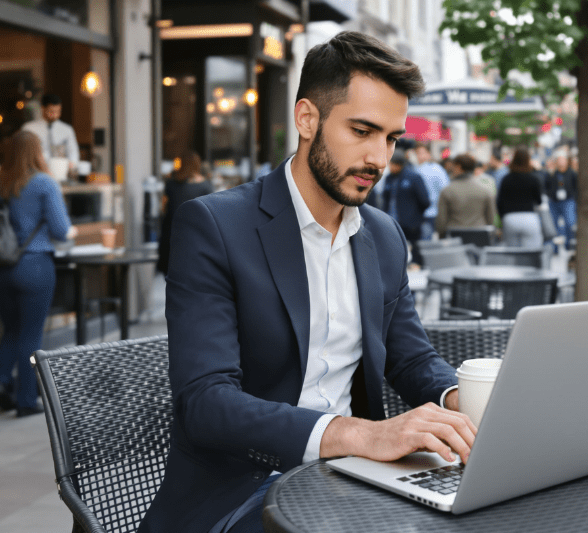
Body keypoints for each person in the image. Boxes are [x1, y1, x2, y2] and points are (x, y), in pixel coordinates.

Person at [137, 31, 474, 533]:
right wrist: (359, 435)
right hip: (241, 492)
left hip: (353, 483)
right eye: (362, 131)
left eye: (391, 138)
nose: (379, 159)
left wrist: (460, 402)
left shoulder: (382, 235)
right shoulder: (214, 226)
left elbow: (410, 357)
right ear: (307, 119)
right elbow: (206, 402)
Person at [0, 131, 73, 417]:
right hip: (34, 265)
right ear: (37, 152)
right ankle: (26, 400)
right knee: (31, 334)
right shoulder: (44, 183)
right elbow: (61, 230)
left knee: (11, 329)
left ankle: (1, 385)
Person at [156, 151, 214, 275]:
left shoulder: (171, 184)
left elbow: (164, 208)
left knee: (171, 276)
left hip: (171, 236)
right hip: (195, 238)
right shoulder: (205, 186)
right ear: (197, 165)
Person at [380, 150, 430, 265]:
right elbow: (385, 199)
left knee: (415, 246)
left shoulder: (414, 177)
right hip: (392, 221)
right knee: (394, 246)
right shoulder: (389, 179)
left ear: (399, 164)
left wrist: (415, 215)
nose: (390, 167)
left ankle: (417, 265)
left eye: (392, 164)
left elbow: (425, 201)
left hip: (411, 222)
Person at [436, 153, 497, 237]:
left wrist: (442, 236)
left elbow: (441, 222)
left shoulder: (447, 191)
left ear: (458, 167)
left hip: (455, 236)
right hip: (479, 235)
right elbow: (491, 219)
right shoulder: (485, 191)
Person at [496, 147, 544, 247]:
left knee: (513, 252)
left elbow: (500, 201)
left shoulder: (506, 179)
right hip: (529, 217)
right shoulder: (533, 179)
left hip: (510, 218)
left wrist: (502, 218)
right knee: (531, 253)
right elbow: (539, 201)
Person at [22, 93, 79, 170]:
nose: (55, 115)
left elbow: (73, 152)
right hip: (36, 171)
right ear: (43, 108)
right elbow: (24, 154)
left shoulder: (67, 129)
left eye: (58, 111)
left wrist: (72, 164)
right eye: (51, 111)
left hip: (61, 171)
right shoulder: (29, 128)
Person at [413, 143, 449, 240]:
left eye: (423, 153)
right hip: (423, 213)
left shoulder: (436, 170)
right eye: (418, 153)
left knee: (426, 242)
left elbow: (445, 191)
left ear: (429, 154)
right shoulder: (415, 169)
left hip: (432, 212)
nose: (420, 156)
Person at [544, 153, 578, 249]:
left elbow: (576, 187)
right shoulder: (552, 173)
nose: (561, 162)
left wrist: (573, 196)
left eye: (563, 160)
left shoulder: (572, 173)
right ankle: (554, 247)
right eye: (559, 160)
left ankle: (569, 244)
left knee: (570, 222)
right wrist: (550, 194)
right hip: (554, 202)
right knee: (553, 224)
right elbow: (546, 186)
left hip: (568, 201)